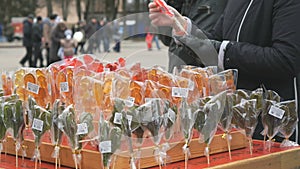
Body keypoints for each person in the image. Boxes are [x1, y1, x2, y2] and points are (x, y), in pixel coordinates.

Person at [149, 0, 300, 143]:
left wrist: (226, 51)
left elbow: (286, 59)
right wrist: (182, 26)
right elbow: (214, 41)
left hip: (275, 123)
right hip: (236, 119)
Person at [157, 0, 228, 72]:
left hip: (199, 76)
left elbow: (206, 47)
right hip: (179, 74)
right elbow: (167, 39)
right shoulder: (187, 3)